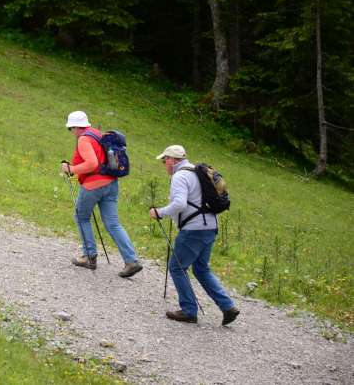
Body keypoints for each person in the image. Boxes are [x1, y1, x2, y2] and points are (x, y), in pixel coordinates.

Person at [149, 145, 240, 325]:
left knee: (177, 267)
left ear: (172, 160)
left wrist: (160, 212)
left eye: (164, 160)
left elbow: (180, 203)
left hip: (194, 230)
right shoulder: (196, 172)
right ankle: (228, 307)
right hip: (210, 226)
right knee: (201, 268)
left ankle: (189, 311)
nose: (164, 164)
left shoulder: (180, 176)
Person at [61, 111, 143, 278]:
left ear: (76, 127)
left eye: (70, 128)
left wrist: (72, 169)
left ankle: (89, 257)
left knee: (81, 217)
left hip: (93, 185)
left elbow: (92, 164)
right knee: (113, 223)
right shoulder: (97, 134)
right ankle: (132, 260)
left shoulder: (84, 139)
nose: (71, 132)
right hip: (111, 183)